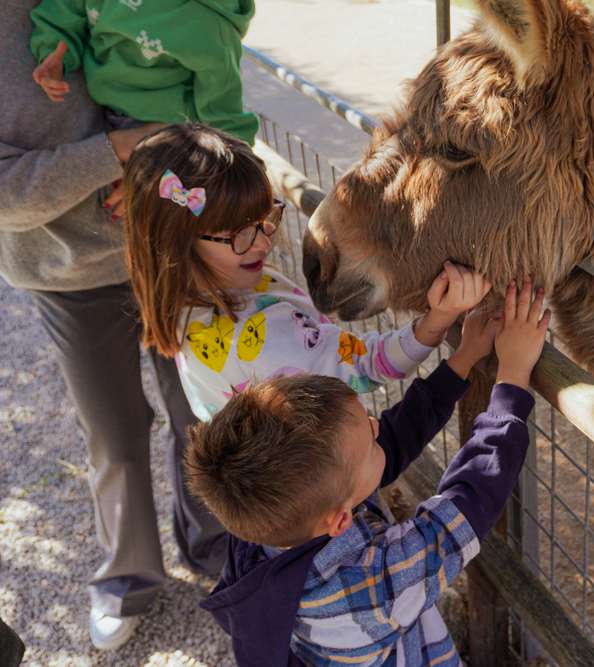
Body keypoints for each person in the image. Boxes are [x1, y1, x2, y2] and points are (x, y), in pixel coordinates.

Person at [1, 1, 226, 650]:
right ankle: (128, 577)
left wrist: (171, 156)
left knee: (203, 408)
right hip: (62, 270)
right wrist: (123, 150)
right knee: (113, 428)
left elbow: (200, 62)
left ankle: (220, 550)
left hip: (167, 238)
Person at [186, 280, 550, 665]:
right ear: (341, 520)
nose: (378, 426)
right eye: (370, 438)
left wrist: (462, 360)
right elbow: (469, 502)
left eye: (368, 420)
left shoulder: (272, 517)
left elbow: (391, 440)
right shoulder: (372, 586)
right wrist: (512, 374)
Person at [121, 123, 490, 421]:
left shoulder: (183, 304)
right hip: (332, 493)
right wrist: (437, 320)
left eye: (265, 218)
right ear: (178, 243)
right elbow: (367, 365)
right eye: (238, 235)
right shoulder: (268, 341)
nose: (264, 243)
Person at [29, 0, 258, 145]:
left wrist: (240, 166)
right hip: (98, 119)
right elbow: (61, 14)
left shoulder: (209, 23)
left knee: (167, 213)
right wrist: (52, 56)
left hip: (173, 134)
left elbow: (224, 108)